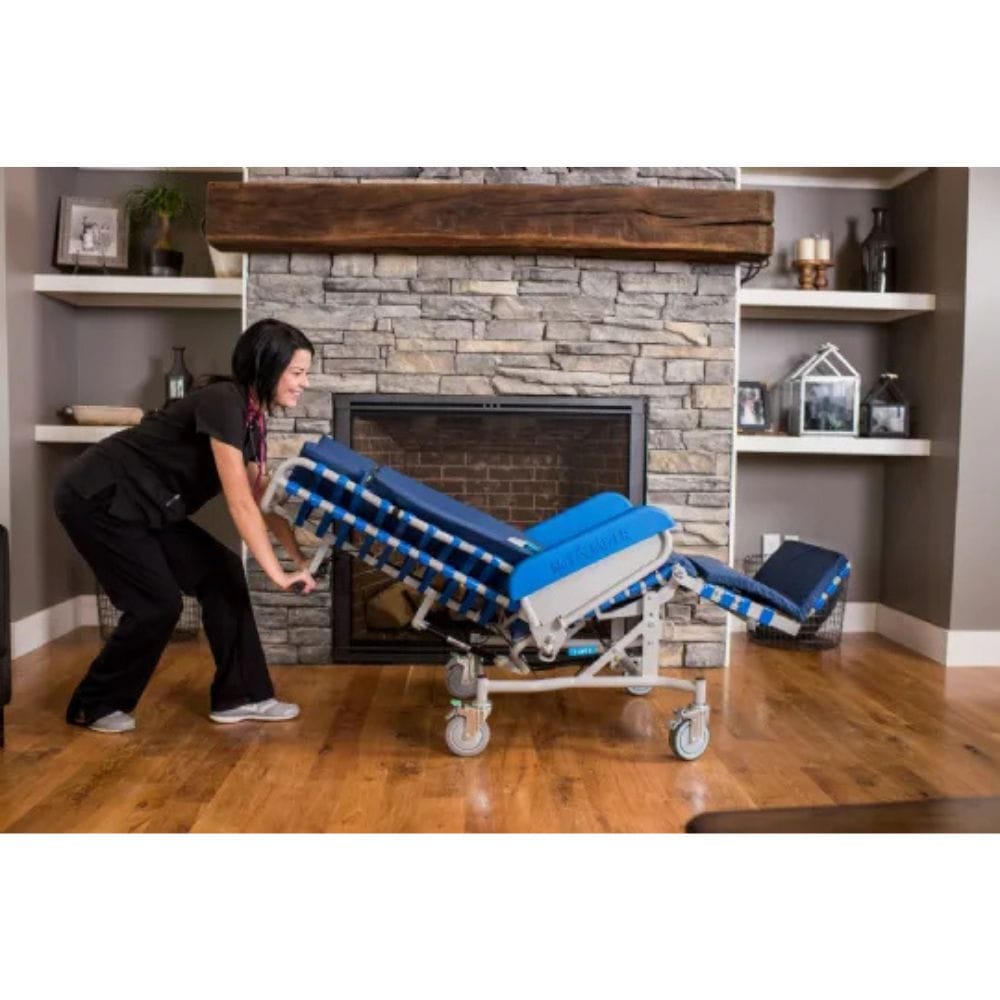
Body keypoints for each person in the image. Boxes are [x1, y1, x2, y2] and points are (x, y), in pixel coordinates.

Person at [54, 318, 318, 734]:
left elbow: (260, 498)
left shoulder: (252, 418)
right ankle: (95, 705)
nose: (304, 383)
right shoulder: (224, 401)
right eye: (298, 373)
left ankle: (242, 696)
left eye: (306, 373)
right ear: (268, 367)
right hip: (101, 497)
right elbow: (239, 503)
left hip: (151, 507)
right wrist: (278, 575)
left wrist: (299, 557)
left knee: (222, 573)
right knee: (155, 605)